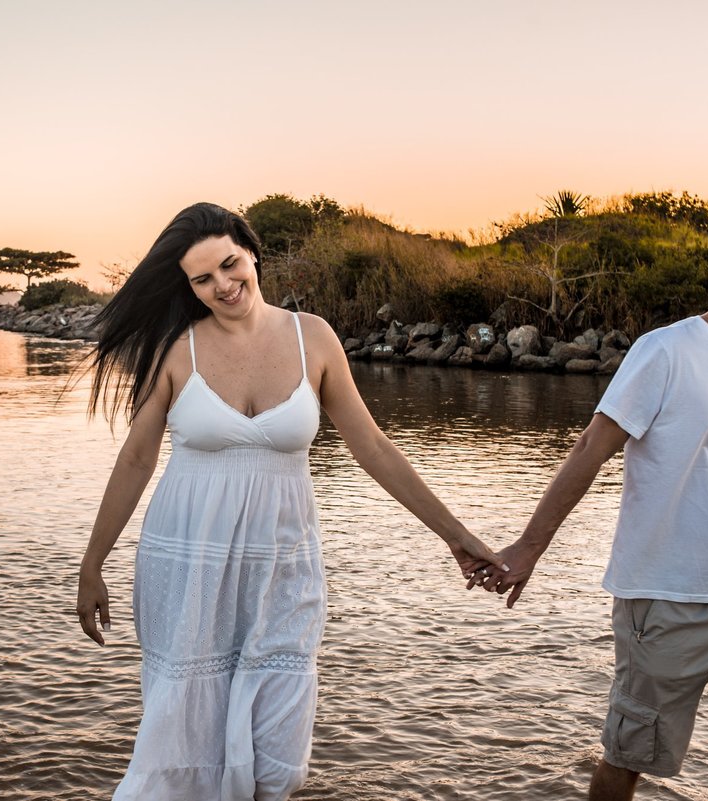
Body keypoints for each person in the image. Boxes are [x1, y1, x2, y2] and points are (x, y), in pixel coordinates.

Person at [76, 202, 504, 800]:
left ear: (251, 252)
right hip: (189, 562)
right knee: (183, 738)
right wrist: (92, 565)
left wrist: (456, 535)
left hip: (284, 565)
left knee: (277, 757)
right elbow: (137, 461)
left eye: (230, 265)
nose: (224, 285)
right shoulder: (178, 349)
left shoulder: (314, 339)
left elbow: (374, 448)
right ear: (189, 286)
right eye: (203, 279)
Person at [474, 210, 708, 800]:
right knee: (630, 758)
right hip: (661, 600)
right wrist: (529, 548)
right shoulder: (664, 352)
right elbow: (592, 447)